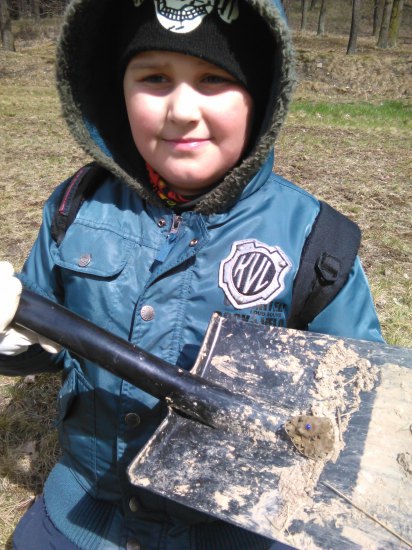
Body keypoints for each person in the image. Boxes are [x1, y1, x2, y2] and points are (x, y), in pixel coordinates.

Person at [0, 0, 383, 548]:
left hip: (234, 528)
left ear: (263, 99)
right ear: (118, 90)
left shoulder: (316, 244)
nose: (181, 109)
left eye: (213, 79)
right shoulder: (75, 208)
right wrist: (13, 341)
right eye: (155, 77)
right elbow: (46, 343)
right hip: (86, 505)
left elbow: (357, 409)